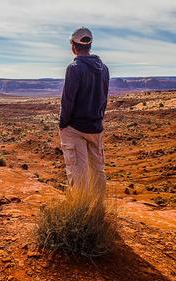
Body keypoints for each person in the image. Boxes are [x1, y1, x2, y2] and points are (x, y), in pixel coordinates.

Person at [59, 27, 110, 194]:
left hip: (75, 128)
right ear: (90, 45)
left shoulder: (74, 68)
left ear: (73, 45)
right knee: (98, 170)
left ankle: (81, 209)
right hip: (96, 127)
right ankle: (98, 209)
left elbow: (68, 100)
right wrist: (99, 119)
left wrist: (63, 123)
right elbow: (104, 97)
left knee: (77, 171)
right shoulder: (104, 69)